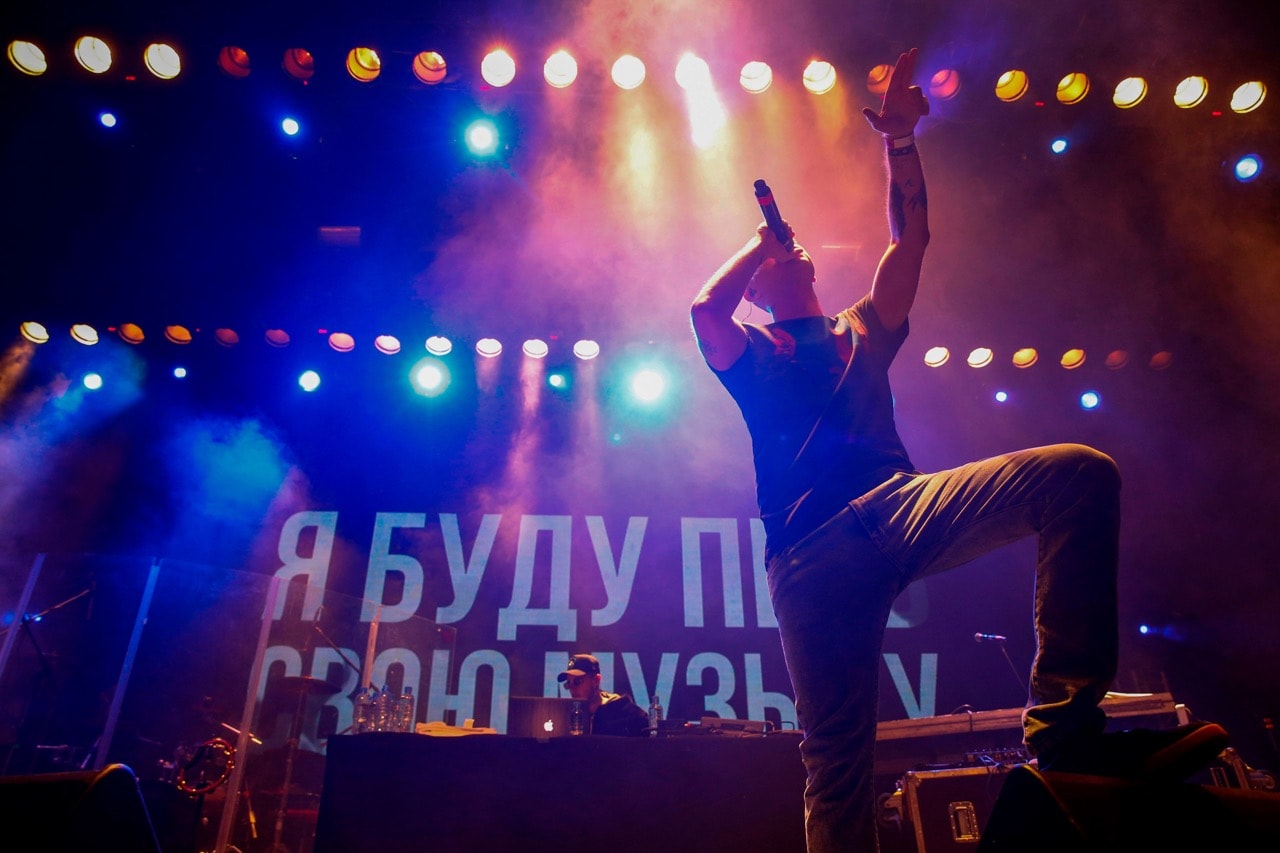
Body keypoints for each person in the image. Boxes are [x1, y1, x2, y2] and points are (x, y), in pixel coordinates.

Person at [689, 48, 1228, 851]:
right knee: (834, 761)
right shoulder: (754, 353)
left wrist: (899, 142)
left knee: (1080, 475)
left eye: (793, 253)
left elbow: (913, 239)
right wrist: (757, 245)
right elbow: (703, 309)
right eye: (778, 263)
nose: (795, 256)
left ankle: (1065, 730)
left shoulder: (860, 331)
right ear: (764, 286)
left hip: (898, 508)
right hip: (809, 554)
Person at [556, 654, 650, 737]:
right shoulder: (568, 716)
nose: (572, 688)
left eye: (577, 682)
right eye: (568, 683)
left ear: (596, 680)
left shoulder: (626, 713)